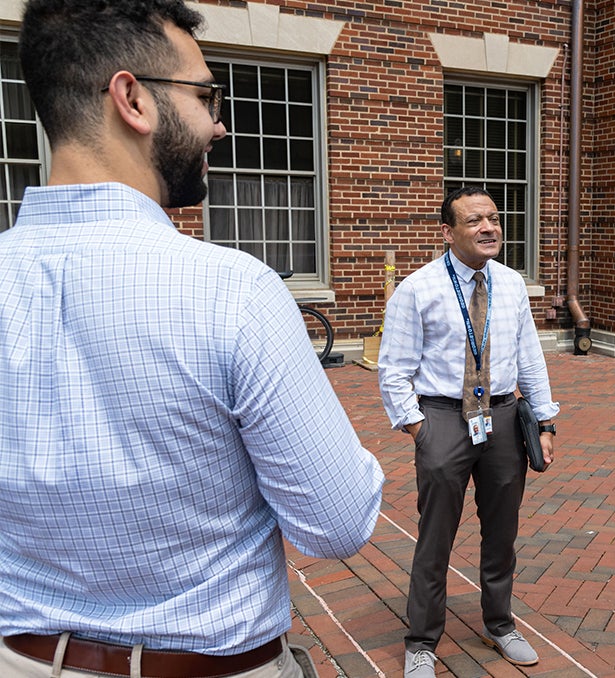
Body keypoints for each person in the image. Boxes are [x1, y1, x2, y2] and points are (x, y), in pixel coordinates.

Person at [0, 2, 385, 677]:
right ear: (132, 99)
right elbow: (337, 521)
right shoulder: (233, 291)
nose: (219, 123)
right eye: (206, 94)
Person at [378, 186, 559, 678]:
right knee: (436, 536)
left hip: (502, 419)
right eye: (475, 220)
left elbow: (529, 356)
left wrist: (543, 421)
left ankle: (500, 623)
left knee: (503, 532)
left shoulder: (512, 284)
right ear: (448, 232)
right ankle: (421, 640)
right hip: (442, 417)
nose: (489, 227)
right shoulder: (418, 288)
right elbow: (393, 370)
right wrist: (419, 429)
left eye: (494, 218)